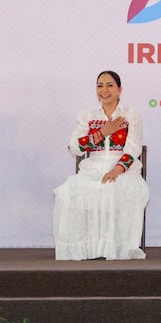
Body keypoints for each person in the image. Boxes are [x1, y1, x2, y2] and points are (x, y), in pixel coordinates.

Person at [53, 70, 149, 260]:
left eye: (110, 85)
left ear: (120, 90)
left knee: (116, 188)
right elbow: (76, 148)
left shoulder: (130, 114)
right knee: (68, 191)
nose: (104, 90)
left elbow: (133, 149)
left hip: (124, 170)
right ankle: (88, 248)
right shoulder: (87, 115)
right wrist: (103, 132)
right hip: (93, 167)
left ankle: (113, 248)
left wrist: (116, 171)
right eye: (100, 86)